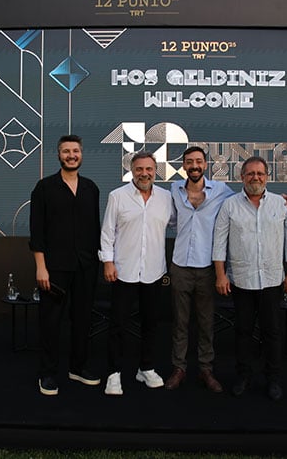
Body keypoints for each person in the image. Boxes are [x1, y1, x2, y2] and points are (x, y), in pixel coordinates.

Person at [212, 156, 287, 401]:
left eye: (260, 173)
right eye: (250, 173)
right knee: (243, 332)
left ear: (267, 177)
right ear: (242, 177)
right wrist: (220, 275)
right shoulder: (229, 205)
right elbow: (219, 243)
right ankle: (243, 377)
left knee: (272, 333)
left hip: (272, 280)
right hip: (241, 281)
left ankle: (273, 379)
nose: (255, 178)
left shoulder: (280, 204)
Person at [29, 135, 101, 396]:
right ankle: (47, 373)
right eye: (66, 151)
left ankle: (78, 368)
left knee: (82, 320)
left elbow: (95, 229)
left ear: (82, 154)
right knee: (51, 322)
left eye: (75, 151)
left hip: (86, 266)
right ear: (59, 155)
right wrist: (41, 267)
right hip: (54, 268)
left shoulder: (91, 188)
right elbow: (37, 231)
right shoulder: (44, 188)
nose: (71, 155)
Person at [99, 151, 172, 396]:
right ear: (132, 171)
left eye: (149, 169)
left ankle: (146, 368)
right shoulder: (117, 196)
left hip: (154, 271)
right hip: (123, 271)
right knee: (117, 326)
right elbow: (107, 232)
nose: (144, 173)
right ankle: (113, 373)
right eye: (139, 169)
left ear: (155, 171)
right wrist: (108, 262)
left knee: (151, 324)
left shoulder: (166, 198)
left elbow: (179, 222)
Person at [164, 146, 233, 393]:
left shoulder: (222, 191)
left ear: (205, 165)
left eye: (199, 161)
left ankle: (206, 370)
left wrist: (282, 201)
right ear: (183, 166)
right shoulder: (173, 190)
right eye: (189, 162)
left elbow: (245, 201)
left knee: (206, 322)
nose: (194, 166)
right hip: (180, 265)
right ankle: (179, 369)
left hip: (207, 267)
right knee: (180, 322)